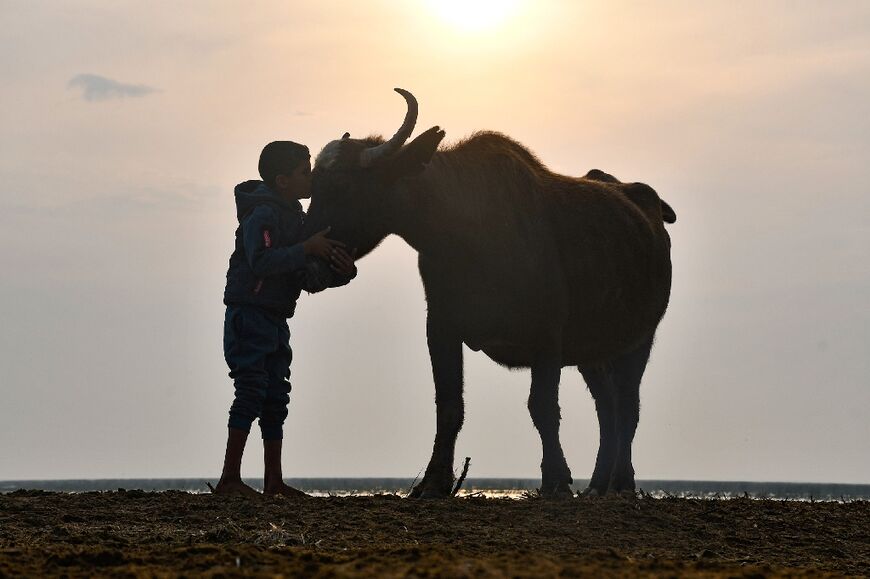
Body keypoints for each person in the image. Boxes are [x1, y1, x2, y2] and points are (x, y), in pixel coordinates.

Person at [214, 140, 356, 497]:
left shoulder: (297, 218)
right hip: (248, 315)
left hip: (276, 319)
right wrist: (306, 248)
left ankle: (273, 483)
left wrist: (343, 270)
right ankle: (230, 478)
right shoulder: (261, 214)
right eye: (305, 173)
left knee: (276, 397)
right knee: (251, 391)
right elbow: (260, 261)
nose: (311, 180)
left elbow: (307, 274)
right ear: (282, 180)